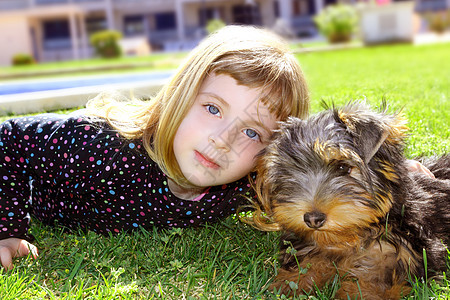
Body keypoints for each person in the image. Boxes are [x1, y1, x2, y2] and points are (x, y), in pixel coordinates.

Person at [0, 25, 310, 270]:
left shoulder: (245, 187)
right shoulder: (100, 147)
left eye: (252, 132)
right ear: (180, 95)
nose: (222, 140)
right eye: (213, 109)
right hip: (43, 185)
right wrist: (9, 226)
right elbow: (7, 139)